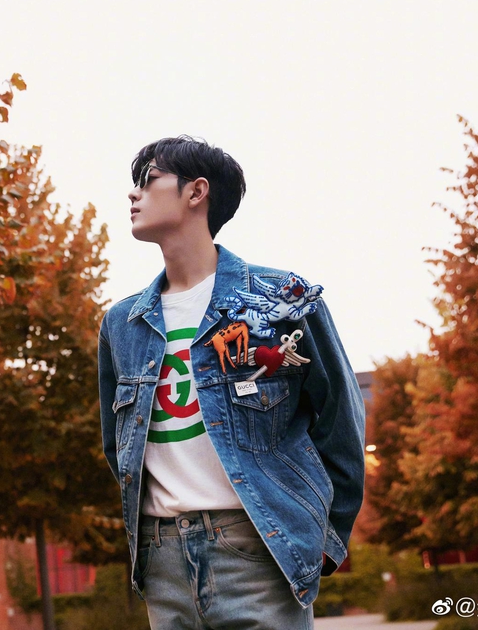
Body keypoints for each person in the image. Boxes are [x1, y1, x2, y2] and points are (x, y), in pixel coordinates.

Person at [98, 136, 366, 629]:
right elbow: (119, 449)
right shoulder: (122, 323)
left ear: (196, 192)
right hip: (161, 559)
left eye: (148, 180)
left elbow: (341, 420)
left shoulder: (281, 299)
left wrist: (329, 537)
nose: (133, 194)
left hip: (257, 547)